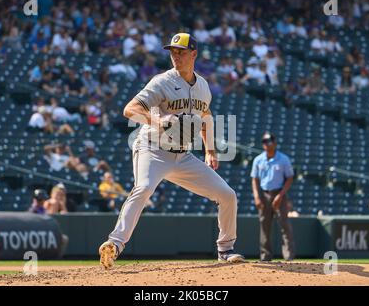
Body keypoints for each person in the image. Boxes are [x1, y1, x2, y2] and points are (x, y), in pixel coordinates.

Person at [98, 33, 244, 269]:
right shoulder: (161, 82)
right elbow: (130, 110)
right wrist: (158, 121)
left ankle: (225, 249)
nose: (175, 55)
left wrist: (210, 151)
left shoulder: (203, 87)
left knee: (227, 195)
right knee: (143, 188)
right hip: (152, 149)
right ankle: (114, 244)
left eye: (181, 51)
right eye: (172, 51)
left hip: (183, 155)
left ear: (194, 54)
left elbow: (206, 118)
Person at [251, 132, 295, 261]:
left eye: (269, 141)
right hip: (264, 194)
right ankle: (265, 256)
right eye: (264, 141)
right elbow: (254, 179)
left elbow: (290, 178)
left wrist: (280, 196)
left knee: (284, 225)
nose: (266, 143)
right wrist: (257, 197)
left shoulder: (283, 159)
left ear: (275, 143)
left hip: (279, 194)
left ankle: (289, 257)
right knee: (264, 226)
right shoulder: (258, 159)